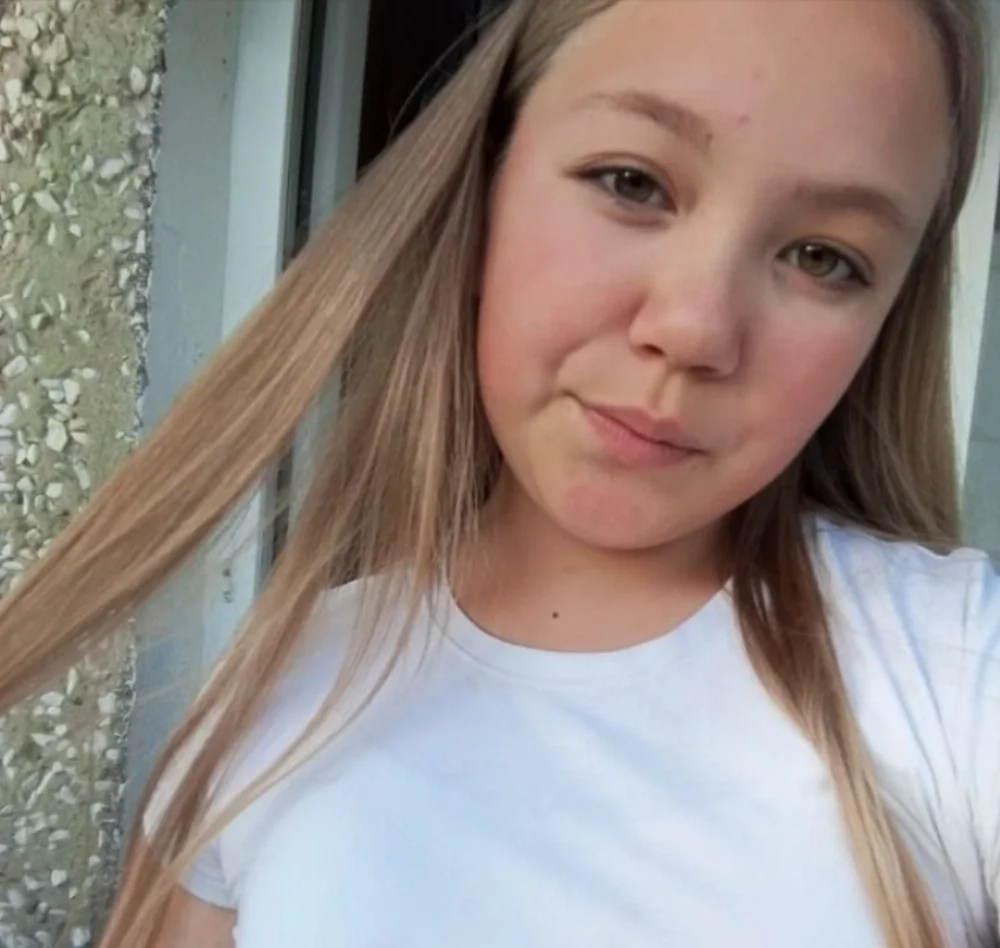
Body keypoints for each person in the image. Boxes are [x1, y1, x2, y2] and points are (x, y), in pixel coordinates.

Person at [0, 0, 996, 945]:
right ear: (484, 187)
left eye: (823, 257)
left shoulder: (950, 669)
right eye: (632, 182)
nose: (694, 328)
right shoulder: (275, 698)